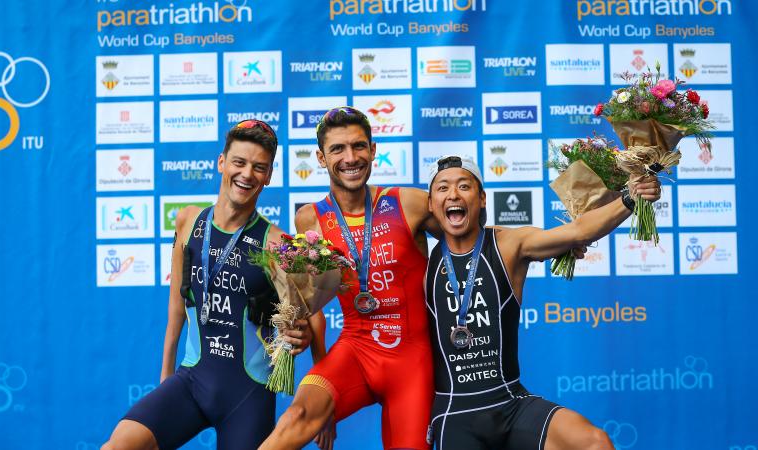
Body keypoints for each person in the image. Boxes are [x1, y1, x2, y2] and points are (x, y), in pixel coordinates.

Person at [102, 120, 326, 450]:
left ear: (269, 175)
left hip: (247, 394)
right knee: (118, 445)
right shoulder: (188, 221)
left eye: (259, 167)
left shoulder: (275, 243)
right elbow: (177, 305)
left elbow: (311, 319)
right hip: (192, 380)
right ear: (222, 162)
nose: (247, 174)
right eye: (239, 162)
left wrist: (320, 389)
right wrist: (166, 375)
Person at [423, 155, 661, 450]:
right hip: (456, 416)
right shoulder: (420, 263)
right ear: (431, 204)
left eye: (464, 186)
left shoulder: (507, 244)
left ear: (482, 198)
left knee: (594, 443)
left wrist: (630, 196)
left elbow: (578, 231)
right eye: (443, 188)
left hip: (510, 403)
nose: (454, 195)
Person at [260, 107, 441, 450]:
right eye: (337, 149)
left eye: (359, 146)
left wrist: (563, 239)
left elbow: (469, 238)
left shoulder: (411, 202)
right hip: (356, 350)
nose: (350, 158)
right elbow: (310, 303)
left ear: (373, 150)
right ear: (320, 157)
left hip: (412, 362)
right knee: (296, 417)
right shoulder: (310, 218)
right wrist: (324, 386)